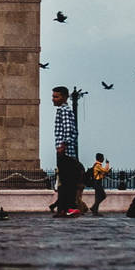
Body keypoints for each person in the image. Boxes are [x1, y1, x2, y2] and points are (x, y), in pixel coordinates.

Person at [49, 86, 84, 216]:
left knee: (67, 181)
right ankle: (63, 209)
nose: (53, 99)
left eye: (56, 96)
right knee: (65, 181)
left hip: (65, 151)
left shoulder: (64, 110)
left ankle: (69, 207)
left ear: (64, 97)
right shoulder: (63, 110)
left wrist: (62, 145)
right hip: (65, 150)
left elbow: (68, 129)